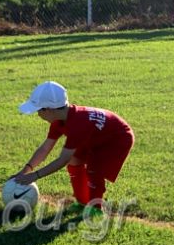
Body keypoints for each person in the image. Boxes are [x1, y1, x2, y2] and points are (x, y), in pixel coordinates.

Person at [14, 81, 135, 212]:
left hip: (117, 139)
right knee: (75, 160)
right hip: (96, 137)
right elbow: (45, 149)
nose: (38, 115)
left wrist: (35, 176)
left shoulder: (77, 125)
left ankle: (95, 210)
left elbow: (62, 159)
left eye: (38, 111)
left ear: (48, 109)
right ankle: (82, 203)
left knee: (94, 169)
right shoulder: (59, 121)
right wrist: (24, 171)